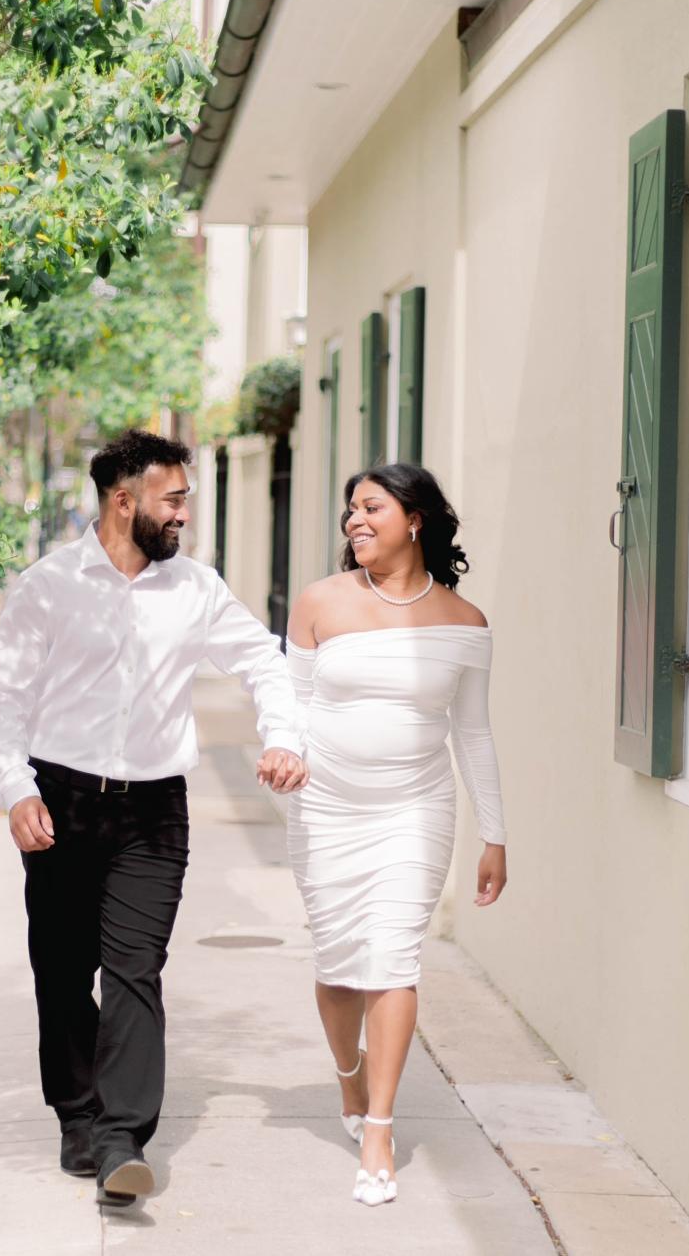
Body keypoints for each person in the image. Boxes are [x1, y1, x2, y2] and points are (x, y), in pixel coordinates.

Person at [0, 429, 309, 1207]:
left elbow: (263, 660)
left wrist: (284, 736)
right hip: (60, 801)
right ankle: (77, 1113)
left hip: (155, 811)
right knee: (62, 973)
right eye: (174, 499)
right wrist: (16, 789)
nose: (184, 514)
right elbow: (2, 696)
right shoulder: (49, 585)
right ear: (124, 501)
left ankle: (122, 1137)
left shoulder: (196, 589)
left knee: (135, 970)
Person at [284, 462, 507, 1208]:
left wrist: (495, 834)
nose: (355, 519)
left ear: (415, 519)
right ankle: (349, 1077)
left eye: (371, 507)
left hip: (415, 810)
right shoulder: (320, 602)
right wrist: (282, 751)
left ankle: (378, 1128)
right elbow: (290, 705)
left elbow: (473, 733)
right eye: (350, 508)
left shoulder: (465, 622)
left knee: (391, 959)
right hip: (325, 809)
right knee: (339, 963)